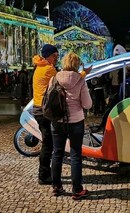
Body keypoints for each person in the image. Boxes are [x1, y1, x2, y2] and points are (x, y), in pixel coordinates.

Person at [32, 44, 90, 185]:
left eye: (58, 57)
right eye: (54, 56)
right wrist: (83, 74)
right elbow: (66, 81)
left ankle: (53, 180)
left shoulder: (39, 67)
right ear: (47, 56)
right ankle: (44, 175)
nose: (56, 59)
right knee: (48, 145)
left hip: (39, 108)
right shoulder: (49, 70)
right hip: (45, 110)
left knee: (53, 147)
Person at [50, 52, 92, 199]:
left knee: (57, 153)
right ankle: (77, 190)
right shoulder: (80, 81)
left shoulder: (54, 78)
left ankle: (56, 187)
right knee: (75, 155)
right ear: (76, 64)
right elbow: (87, 104)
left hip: (57, 121)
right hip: (75, 122)